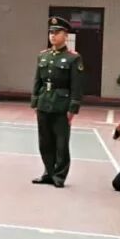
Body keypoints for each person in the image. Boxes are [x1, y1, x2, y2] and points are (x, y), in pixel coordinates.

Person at [30, 16, 84, 188]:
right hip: (44, 103)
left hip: (61, 105)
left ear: (65, 35)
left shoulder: (73, 58)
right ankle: (48, 173)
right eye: (51, 32)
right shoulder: (43, 56)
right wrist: (35, 102)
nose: (53, 35)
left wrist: (73, 108)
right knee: (44, 142)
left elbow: (76, 85)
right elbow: (37, 80)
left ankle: (59, 176)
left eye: (57, 32)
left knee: (61, 143)